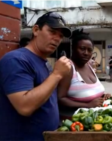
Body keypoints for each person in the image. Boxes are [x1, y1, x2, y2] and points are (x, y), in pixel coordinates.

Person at [0, 12, 72, 141]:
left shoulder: (44, 63)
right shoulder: (16, 60)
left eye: (60, 36)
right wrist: (57, 74)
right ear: (36, 30)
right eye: (52, 31)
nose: (56, 38)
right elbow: (24, 107)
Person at [57, 28, 111, 120]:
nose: (86, 53)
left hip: (94, 120)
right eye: (82, 49)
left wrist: (103, 96)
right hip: (75, 123)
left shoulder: (89, 66)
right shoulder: (68, 67)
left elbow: (89, 91)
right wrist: (87, 105)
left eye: (89, 50)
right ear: (73, 48)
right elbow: (60, 98)